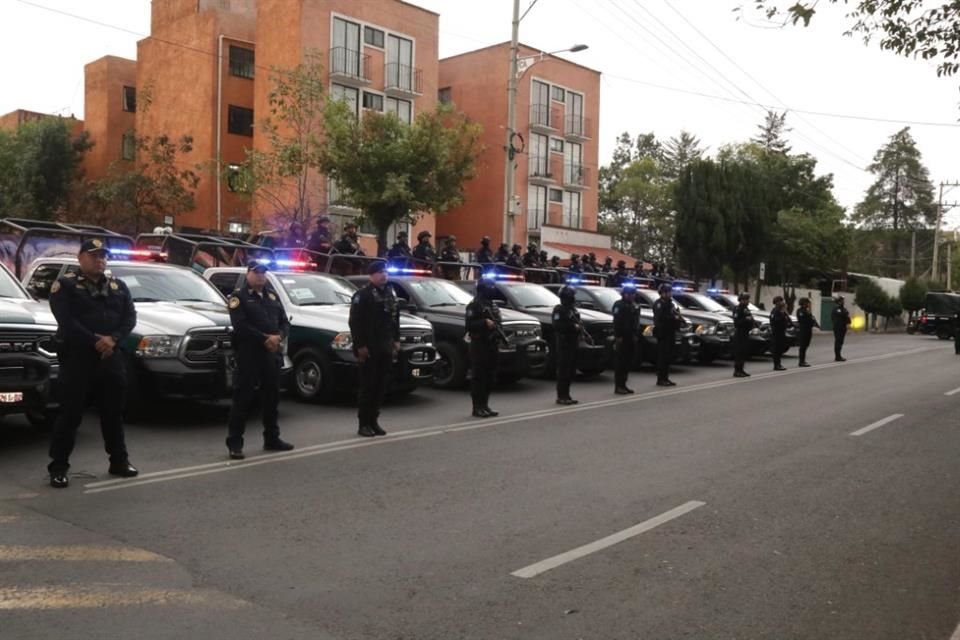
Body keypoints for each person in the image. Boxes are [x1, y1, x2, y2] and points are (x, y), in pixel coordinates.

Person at [46, 239, 139, 489]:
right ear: (80, 257)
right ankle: (58, 467)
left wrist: (114, 340)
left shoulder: (118, 286)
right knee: (71, 414)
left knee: (113, 414)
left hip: (111, 359)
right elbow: (66, 321)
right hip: (78, 359)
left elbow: (129, 317)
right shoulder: (65, 286)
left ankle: (119, 461)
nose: (100, 260)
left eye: (103, 256)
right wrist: (95, 341)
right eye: (94, 255)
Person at [225, 262, 294, 460]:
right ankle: (235, 443)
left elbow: (284, 321)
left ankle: (272, 438)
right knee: (242, 399)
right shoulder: (239, 297)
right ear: (248, 274)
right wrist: (265, 338)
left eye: (263, 273)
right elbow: (241, 326)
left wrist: (279, 337)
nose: (261, 277)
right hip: (249, 355)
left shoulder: (271, 295)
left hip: (271, 355)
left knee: (272, 398)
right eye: (257, 273)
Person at [349, 261, 400, 437]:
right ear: (371, 275)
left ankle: (374, 420)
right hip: (369, 346)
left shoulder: (389, 293)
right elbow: (355, 323)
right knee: (368, 386)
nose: (383, 275)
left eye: (385, 272)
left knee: (380, 386)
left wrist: (396, 339)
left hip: (385, 345)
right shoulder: (362, 295)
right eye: (379, 272)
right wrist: (360, 345)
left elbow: (395, 318)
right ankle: (363, 423)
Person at [465, 279, 503, 418]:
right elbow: (469, 325)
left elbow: (499, 322)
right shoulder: (474, 305)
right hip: (479, 344)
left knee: (490, 376)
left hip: (492, 344)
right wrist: (484, 322)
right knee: (479, 377)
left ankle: (485, 405)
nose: (493, 289)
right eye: (490, 287)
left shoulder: (492, 305)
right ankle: (477, 407)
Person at [553, 285, 581, 405]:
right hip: (564, 343)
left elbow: (578, 322)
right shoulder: (559, 310)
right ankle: (561, 396)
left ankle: (567, 394)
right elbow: (557, 326)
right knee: (564, 371)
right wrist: (572, 327)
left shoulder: (573, 310)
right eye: (572, 296)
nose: (573, 298)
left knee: (571, 370)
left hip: (573, 342)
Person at [612, 283, 640, 394]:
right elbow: (617, 322)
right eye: (630, 294)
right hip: (622, 337)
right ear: (624, 294)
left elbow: (635, 322)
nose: (632, 296)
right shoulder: (619, 305)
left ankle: (624, 384)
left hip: (631, 337)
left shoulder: (634, 305)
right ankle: (618, 386)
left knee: (628, 362)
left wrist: (635, 335)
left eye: (633, 294)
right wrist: (618, 336)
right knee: (621, 363)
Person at [652, 283, 681, 386]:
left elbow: (675, 315)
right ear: (662, 293)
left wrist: (678, 319)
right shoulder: (659, 304)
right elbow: (661, 319)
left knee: (668, 356)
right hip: (662, 333)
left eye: (669, 292)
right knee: (663, 357)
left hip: (670, 332)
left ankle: (666, 377)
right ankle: (661, 378)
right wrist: (674, 318)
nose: (669, 294)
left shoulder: (671, 304)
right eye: (667, 292)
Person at [732, 291, 756, 377]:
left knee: (744, 352)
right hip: (740, 333)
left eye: (748, 299)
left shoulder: (746, 309)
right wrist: (746, 320)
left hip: (745, 333)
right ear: (741, 300)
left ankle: (741, 369)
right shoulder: (738, 309)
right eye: (745, 299)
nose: (747, 301)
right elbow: (737, 322)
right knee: (739, 352)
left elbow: (751, 318)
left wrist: (753, 323)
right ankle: (737, 370)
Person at [769, 295, 792, 372]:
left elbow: (789, 320)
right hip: (776, 333)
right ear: (777, 302)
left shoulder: (782, 311)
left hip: (782, 332)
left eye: (782, 301)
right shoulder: (775, 311)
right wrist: (782, 314)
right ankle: (776, 365)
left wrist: (785, 312)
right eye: (781, 301)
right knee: (776, 349)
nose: (782, 302)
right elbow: (775, 321)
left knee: (780, 349)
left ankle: (779, 364)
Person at [796, 297, 819, 367]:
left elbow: (812, 319)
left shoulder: (807, 310)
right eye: (807, 302)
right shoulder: (800, 311)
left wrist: (816, 324)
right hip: (803, 330)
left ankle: (803, 360)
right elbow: (804, 320)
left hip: (808, 330)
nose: (808, 304)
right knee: (803, 346)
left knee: (806, 345)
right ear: (804, 303)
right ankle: (801, 361)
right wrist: (810, 317)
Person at [832, 295, 852, 361]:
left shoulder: (843, 309)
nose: (843, 301)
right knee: (838, 341)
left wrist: (849, 322)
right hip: (838, 328)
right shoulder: (836, 309)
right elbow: (842, 316)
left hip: (843, 328)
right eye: (842, 300)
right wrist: (845, 315)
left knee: (840, 342)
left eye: (843, 300)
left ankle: (839, 355)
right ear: (839, 302)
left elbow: (847, 317)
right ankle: (837, 356)